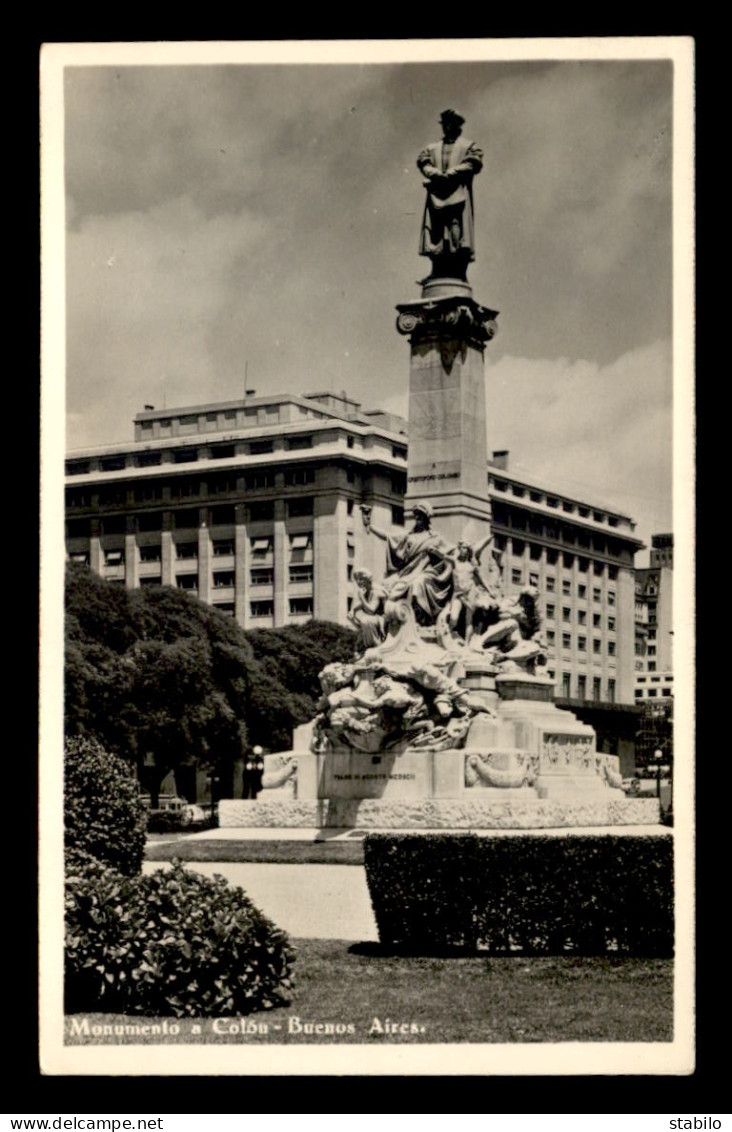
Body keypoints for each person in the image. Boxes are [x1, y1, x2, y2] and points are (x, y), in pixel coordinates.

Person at [360, 501, 453, 625]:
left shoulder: (435, 538)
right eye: (416, 515)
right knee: (387, 585)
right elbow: (388, 536)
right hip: (407, 572)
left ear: (426, 517)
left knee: (417, 584)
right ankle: (387, 624)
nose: (417, 517)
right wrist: (369, 525)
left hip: (427, 573)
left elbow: (451, 553)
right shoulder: (408, 536)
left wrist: (437, 553)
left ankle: (420, 621)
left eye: (420, 514)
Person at [417, 109, 484, 280]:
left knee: (457, 229)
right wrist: (435, 174)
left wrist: (453, 173)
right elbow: (423, 163)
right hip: (437, 194)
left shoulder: (468, 146)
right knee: (436, 231)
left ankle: (459, 272)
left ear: (458, 126)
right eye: (445, 124)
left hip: (457, 193)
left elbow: (473, 163)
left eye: (452, 124)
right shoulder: (432, 148)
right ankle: (436, 270)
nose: (448, 127)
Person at [349, 567, 387, 650]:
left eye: (361, 579)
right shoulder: (367, 591)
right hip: (375, 618)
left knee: (366, 620)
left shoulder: (377, 591)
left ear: (368, 579)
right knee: (352, 618)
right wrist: (353, 610)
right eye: (357, 580)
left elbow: (371, 610)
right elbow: (364, 603)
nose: (358, 582)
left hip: (384, 618)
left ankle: (375, 645)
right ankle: (364, 645)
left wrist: (361, 597)